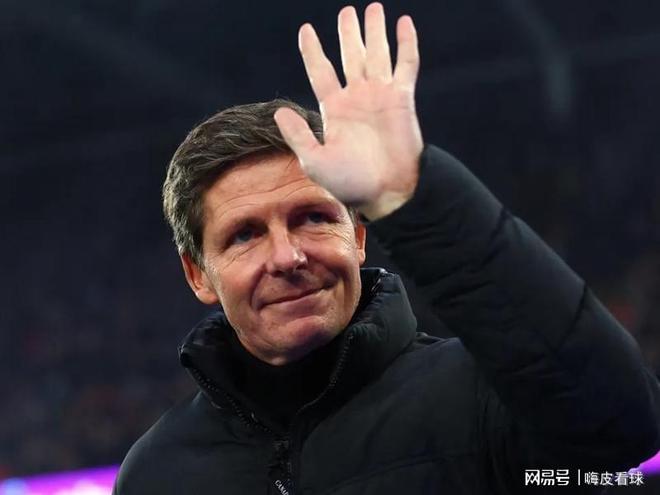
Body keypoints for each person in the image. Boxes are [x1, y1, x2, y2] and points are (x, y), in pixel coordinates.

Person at [113, 3, 660, 494]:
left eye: (313, 218)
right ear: (198, 274)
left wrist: (414, 194)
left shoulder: (484, 399)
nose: (287, 257)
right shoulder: (156, 474)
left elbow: (623, 430)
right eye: (245, 235)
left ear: (358, 236)